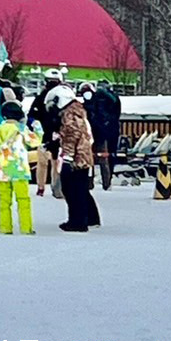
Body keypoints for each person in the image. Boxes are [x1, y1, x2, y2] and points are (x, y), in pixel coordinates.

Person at [53, 85, 101, 232]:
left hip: (75, 157)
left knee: (72, 190)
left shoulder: (70, 114)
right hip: (83, 155)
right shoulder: (78, 111)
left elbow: (71, 136)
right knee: (81, 189)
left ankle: (77, 221)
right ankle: (90, 218)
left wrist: (67, 157)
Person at [0, 100, 41, 235]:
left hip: (1, 170)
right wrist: (38, 128)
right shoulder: (22, 129)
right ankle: (25, 227)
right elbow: (35, 141)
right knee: (23, 199)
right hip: (19, 169)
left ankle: (5, 227)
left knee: (4, 201)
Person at [30, 69, 65, 199]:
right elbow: (31, 115)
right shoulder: (40, 98)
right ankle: (40, 187)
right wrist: (34, 124)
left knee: (57, 162)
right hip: (43, 133)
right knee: (42, 161)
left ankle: (56, 187)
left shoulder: (62, 98)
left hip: (58, 133)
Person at [84, 81, 122, 190]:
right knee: (106, 157)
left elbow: (89, 111)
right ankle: (107, 182)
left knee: (90, 158)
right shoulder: (114, 99)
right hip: (108, 132)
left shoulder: (94, 99)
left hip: (93, 132)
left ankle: (90, 182)